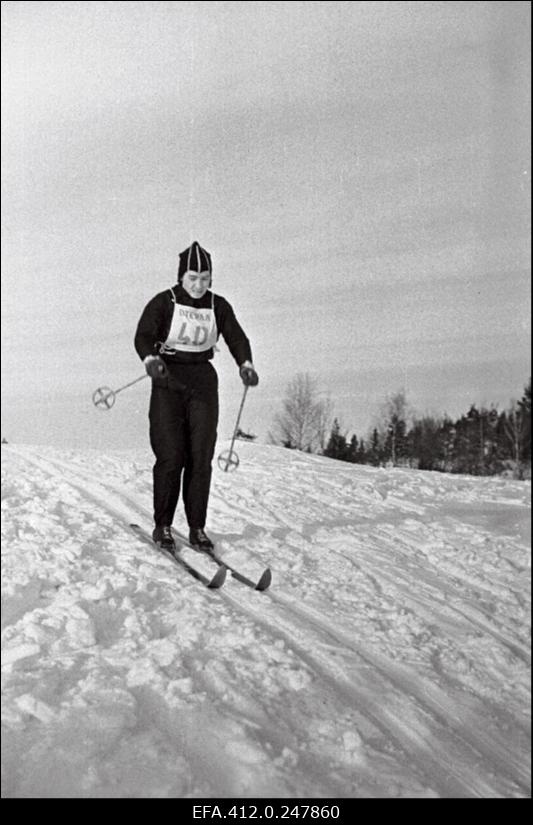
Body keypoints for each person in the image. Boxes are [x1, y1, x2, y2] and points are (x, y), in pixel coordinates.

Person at [134, 241, 258, 552]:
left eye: (205, 278)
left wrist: (246, 363)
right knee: (172, 455)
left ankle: (197, 527)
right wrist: (150, 359)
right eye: (193, 278)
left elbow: (236, 337)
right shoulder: (165, 302)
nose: (199, 284)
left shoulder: (218, 306)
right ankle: (163, 525)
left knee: (200, 457)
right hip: (169, 379)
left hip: (202, 379)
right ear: (181, 277)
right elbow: (144, 335)